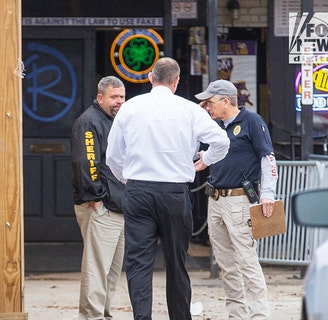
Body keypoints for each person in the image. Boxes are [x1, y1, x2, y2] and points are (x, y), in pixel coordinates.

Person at [106, 57, 230, 320]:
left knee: (138, 264)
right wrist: (204, 161)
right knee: (177, 263)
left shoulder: (130, 108)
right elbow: (221, 141)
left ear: (151, 78)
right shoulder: (189, 110)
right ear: (176, 82)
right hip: (174, 192)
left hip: (139, 191)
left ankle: (142, 317)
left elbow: (113, 157)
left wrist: (128, 181)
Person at [196, 79, 278, 320]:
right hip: (216, 200)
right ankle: (237, 315)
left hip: (240, 200)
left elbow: (268, 157)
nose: (208, 107)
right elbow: (198, 152)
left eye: (210, 102)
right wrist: (199, 119)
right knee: (226, 263)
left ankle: (259, 315)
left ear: (225, 100)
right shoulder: (213, 126)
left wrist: (268, 195)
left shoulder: (251, 121)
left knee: (246, 260)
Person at [71, 75, 126, 320]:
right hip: (100, 206)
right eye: (114, 97)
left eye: (122, 97)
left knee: (112, 270)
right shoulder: (89, 121)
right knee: (96, 268)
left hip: (119, 205)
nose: (119, 102)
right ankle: (91, 316)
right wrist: (95, 196)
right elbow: (86, 161)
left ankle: (104, 313)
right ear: (100, 97)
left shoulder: (116, 120)